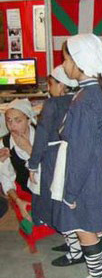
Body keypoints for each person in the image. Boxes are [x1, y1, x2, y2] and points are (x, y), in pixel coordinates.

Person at [51, 33, 102, 278]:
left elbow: (79, 152)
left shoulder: (85, 99)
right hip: (100, 163)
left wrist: (70, 192)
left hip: (88, 168)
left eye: (66, 59)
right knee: (96, 224)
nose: (65, 64)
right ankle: (95, 275)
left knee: (85, 227)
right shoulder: (99, 89)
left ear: (79, 62)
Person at [28, 66, 82, 267]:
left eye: (50, 83)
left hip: (53, 157)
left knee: (56, 202)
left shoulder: (52, 104)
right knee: (66, 200)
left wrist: (33, 164)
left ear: (61, 84)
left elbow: (41, 136)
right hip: (71, 155)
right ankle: (74, 243)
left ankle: (75, 249)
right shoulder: (77, 100)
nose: (49, 88)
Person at [0, 99, 55, 250]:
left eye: (18, 120)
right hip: (24, 191)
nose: (12, 126)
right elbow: (6, 178)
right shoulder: (4, 144)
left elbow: (54, 170)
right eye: (9, 121)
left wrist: (30, 150)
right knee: (31, 227)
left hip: (49, 188)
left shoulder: (46, 136)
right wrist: (18, 201)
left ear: (28, 119)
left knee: (57, 223)